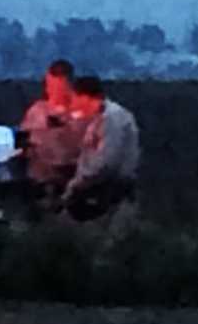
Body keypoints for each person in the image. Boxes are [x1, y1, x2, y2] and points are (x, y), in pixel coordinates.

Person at [59, 75, 141, 221]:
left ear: (85, 97)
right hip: (97, 188)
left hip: (107, 191)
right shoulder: (98, 118)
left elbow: (106, 162)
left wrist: (78, 183)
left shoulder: (113, 119)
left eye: (75, 98)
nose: (73, 104)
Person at [19, 59, 82, 199]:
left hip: (74, 176)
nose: (55, 90)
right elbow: (24, 142)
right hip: (40, 179)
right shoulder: (37, 110)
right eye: (51, 84)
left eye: (60, 85)